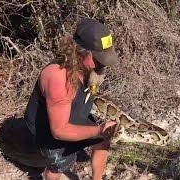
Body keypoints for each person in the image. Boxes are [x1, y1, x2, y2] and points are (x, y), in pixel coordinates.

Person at [24, 18, 119, 180]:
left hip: (71, 118)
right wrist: (98, 129)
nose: (102, 64)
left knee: (103, 140)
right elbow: (59, 131)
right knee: (60, 164)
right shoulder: (58, 77)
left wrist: (101, 132)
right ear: (81, 51)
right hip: (48, 128)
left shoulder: (90, 68)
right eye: (98, 59)